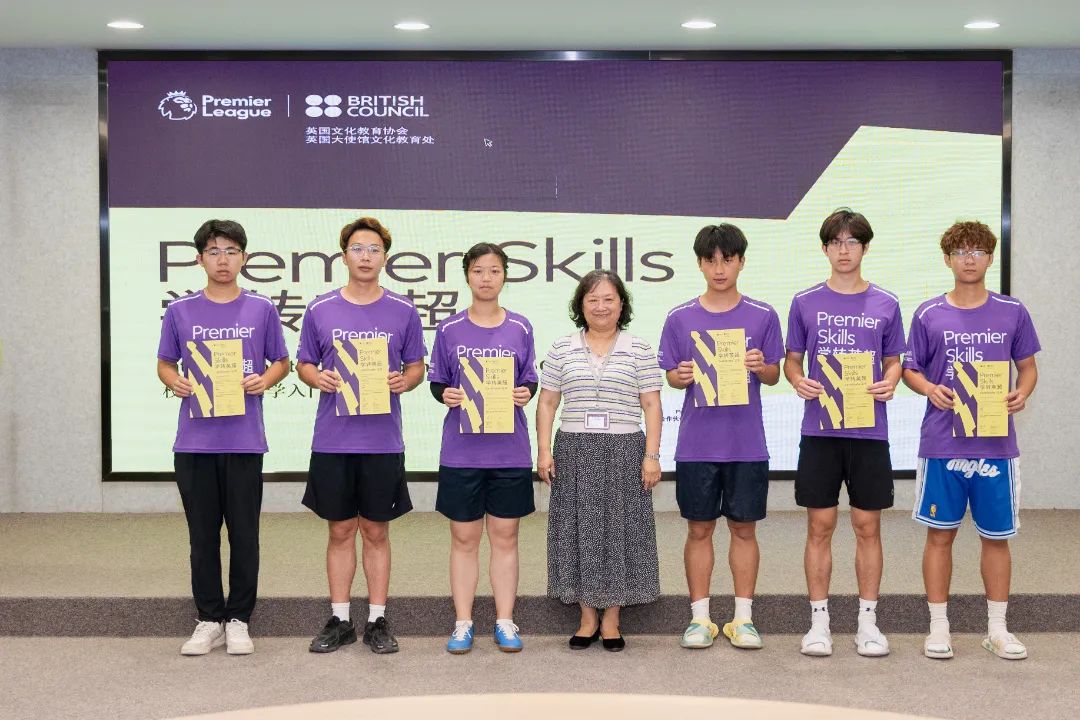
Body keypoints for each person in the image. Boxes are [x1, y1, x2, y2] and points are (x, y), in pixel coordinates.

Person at [902, 220, 1040, 660]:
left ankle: (997, 629)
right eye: (960, 252)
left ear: (990, 258)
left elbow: (1028, 368)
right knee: (939, 537)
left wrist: (1022, 392)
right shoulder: (928, 313)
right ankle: (938, 628)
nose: (969, 259)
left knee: (996, 538)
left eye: (978, 251)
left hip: (995, 447)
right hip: (942, 445)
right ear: (947, 259)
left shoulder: (1012, 311)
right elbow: (910, 369)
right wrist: (929, 388)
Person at [156, 219, 290, 656]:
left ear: (244, 258)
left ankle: (239, 620)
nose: (223, 260)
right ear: (200, 259)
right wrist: (174, 381)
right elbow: (165, 363)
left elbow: (282, 361)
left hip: (244, 441)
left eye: (231, 251)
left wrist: (264, 379)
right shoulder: (180, 310)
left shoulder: (261, 308)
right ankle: (209, 618)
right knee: (202, 536)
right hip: (194, 443)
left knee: (245, 534)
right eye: (213, 251)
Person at [297, 217, 427, 655]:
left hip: (382, 442)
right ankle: (339, 619)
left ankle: (376, 620)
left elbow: (416, 367)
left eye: (374, 249)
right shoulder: (320, 309)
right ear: (343, 255)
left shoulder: (403, 310)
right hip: (333, 440)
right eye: (357, 248)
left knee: (376, 531)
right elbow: (304, 363)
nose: (365, 256)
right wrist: (317, 378)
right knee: (339, 530)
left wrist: (405, 382)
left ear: (385, 258)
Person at [783, 208, 906, 657]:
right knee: (820, 525)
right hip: (820, 430)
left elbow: (894, 361)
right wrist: (797, 380)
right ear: (824, 248)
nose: (844, 250)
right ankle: (819, 623)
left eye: (852, 241)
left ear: (865, 248)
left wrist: (891, 380)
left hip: (868, 431)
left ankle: (867, 623)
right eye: (835, 242)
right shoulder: (804, 301)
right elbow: (792, 360)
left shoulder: (887, 303)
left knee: (867, 525)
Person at [658, 224, 783, 651]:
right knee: (699, 530)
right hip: (697, 445)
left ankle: (743, 619)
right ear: (699, 263)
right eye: (710, 260)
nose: (719, 268)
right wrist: (680, 375)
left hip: (746, 444)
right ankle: (700, 619)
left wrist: (760, 365)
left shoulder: (763, 315)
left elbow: (774, 374)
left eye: (727, 259)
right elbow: (672, 376)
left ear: (741, 261)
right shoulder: (679, 317)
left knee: (744, 530)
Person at [535, 269, 663, 651]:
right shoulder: (562, 348)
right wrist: (544, 450)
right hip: (574, 449)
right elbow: (547, 402)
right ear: (581, 305)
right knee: (579, 529)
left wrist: (652, 455)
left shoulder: (639, 348)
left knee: (621, 530)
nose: (601, 306)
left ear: (622, 304)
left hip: (625, 449)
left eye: (609, 299)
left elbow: (652, 404)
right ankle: (587, 616)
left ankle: (612, 618)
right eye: (592, 299)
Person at [428, 243, 539, 654]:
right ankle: (463, 623)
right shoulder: (449, 329)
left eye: (494, 270)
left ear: (505, 275)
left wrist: (525, 393)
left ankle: (505, 621)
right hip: (462, 453)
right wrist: (446, 395)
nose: (486, 278)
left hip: (509, 452)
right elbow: (438, 382)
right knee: (464, 538)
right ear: (467, 276)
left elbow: (529, 379)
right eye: (478, 271)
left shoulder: (521, 327)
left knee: (506, 537)